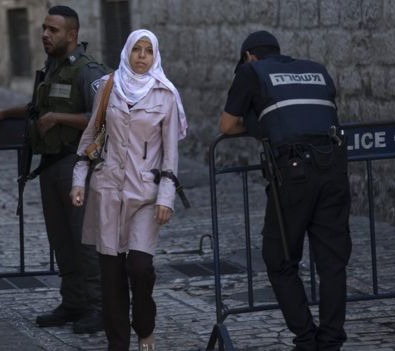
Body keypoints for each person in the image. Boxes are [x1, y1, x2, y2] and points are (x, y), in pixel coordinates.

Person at [218, 31, 352, 351]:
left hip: (295, 172)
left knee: (278, 259)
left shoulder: (251, 72)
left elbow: (226, 126)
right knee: (332, 262)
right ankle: (331, 341)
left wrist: (256, 124)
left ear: (249, 56)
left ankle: (306, 340)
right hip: (333, 165)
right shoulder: (316, 69)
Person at [71, 29, 188, 351]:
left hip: (145, 195)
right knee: (110, 279)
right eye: (136, 49)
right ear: (127, 51)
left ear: (155, 56)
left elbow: (170, 154)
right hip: (107, 191)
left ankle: (145, 329)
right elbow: (91, 135)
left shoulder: (165, 95)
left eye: (148, 51)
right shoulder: (110, 86)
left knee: (139, 267)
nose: (141, 56)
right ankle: (118, 344)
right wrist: (79, 179)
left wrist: (166, 197)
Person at [0, 5, 105, 334]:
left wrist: (60, 119)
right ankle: (73, 302)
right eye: (44, 28)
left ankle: (99, 307)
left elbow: (103, 117)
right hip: (51, 165)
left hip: (78, 165)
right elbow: (39, 109)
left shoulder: (88, 71)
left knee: (85, 243)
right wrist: (6, 115)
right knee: (61, 241)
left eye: (53, 30)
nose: (45, 34)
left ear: (72, 34)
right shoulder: (52, 68)